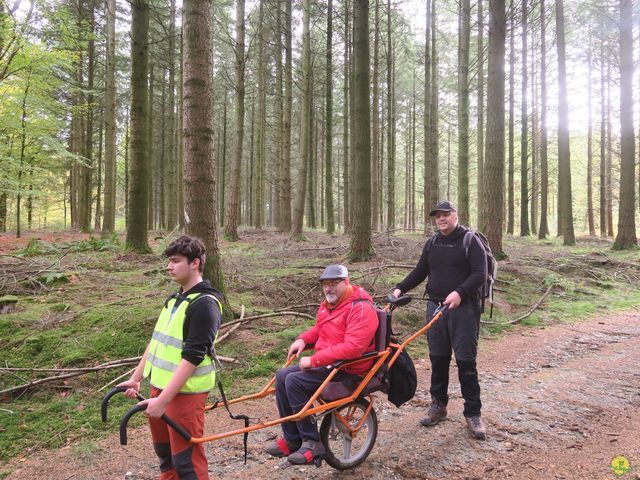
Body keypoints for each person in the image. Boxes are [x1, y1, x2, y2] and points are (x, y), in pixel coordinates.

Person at [116, 235, 223, 479]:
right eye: (169, 261)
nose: (169, 266)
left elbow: (192, 357)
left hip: (184, 395)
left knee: (187, 462)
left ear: (195, 263)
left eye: (175, 261)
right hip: (159, 390)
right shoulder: (175, 300)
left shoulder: (205, 304)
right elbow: (156, 343)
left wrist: (164, 399)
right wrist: (136, 378)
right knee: (166, 456)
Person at [264, 264, 379, 465]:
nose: (328, 289)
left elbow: (353, 348)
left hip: (349, 369)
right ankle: (292, 439)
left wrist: (315, 359)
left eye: (334, 283)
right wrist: (303, 340)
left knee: (294, 381)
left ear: (346, 282)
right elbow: (320, 330)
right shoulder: (328, 305)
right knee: (282, 375)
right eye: (325, 284)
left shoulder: (360, 308)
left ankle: (312, 443)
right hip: (331, 364)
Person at [392, 200, 487, 440]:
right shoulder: (433, 242)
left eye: (445, 214)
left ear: (455, 215)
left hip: (464, 309)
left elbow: (480, 274)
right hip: (435, 307)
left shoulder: (470, 240)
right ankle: (439, 405)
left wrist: (459, 293)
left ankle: (473, 414)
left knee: (466, 363)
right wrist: (400, 288)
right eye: (437, 216)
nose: (441, 219)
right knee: (438, 359)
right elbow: (420, 271)